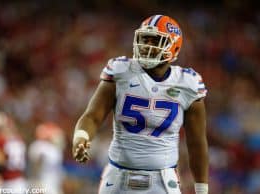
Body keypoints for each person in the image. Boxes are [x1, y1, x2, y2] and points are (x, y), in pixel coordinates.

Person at [72, 14, 209, 194]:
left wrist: (202, 189)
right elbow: (92, 115)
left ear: (173, 46)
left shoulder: (187, 83)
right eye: (144, 39)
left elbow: (196, 142)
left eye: (155, 41)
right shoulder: (121, 71)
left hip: (162, 181)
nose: (146, 46)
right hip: (118, 177)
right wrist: (81, 136)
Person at [28, 122, 65, 194]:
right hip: (43, 182)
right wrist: (37, 182)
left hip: (54, 183)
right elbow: (35, 166)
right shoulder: (38, 145)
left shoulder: (53, 148)